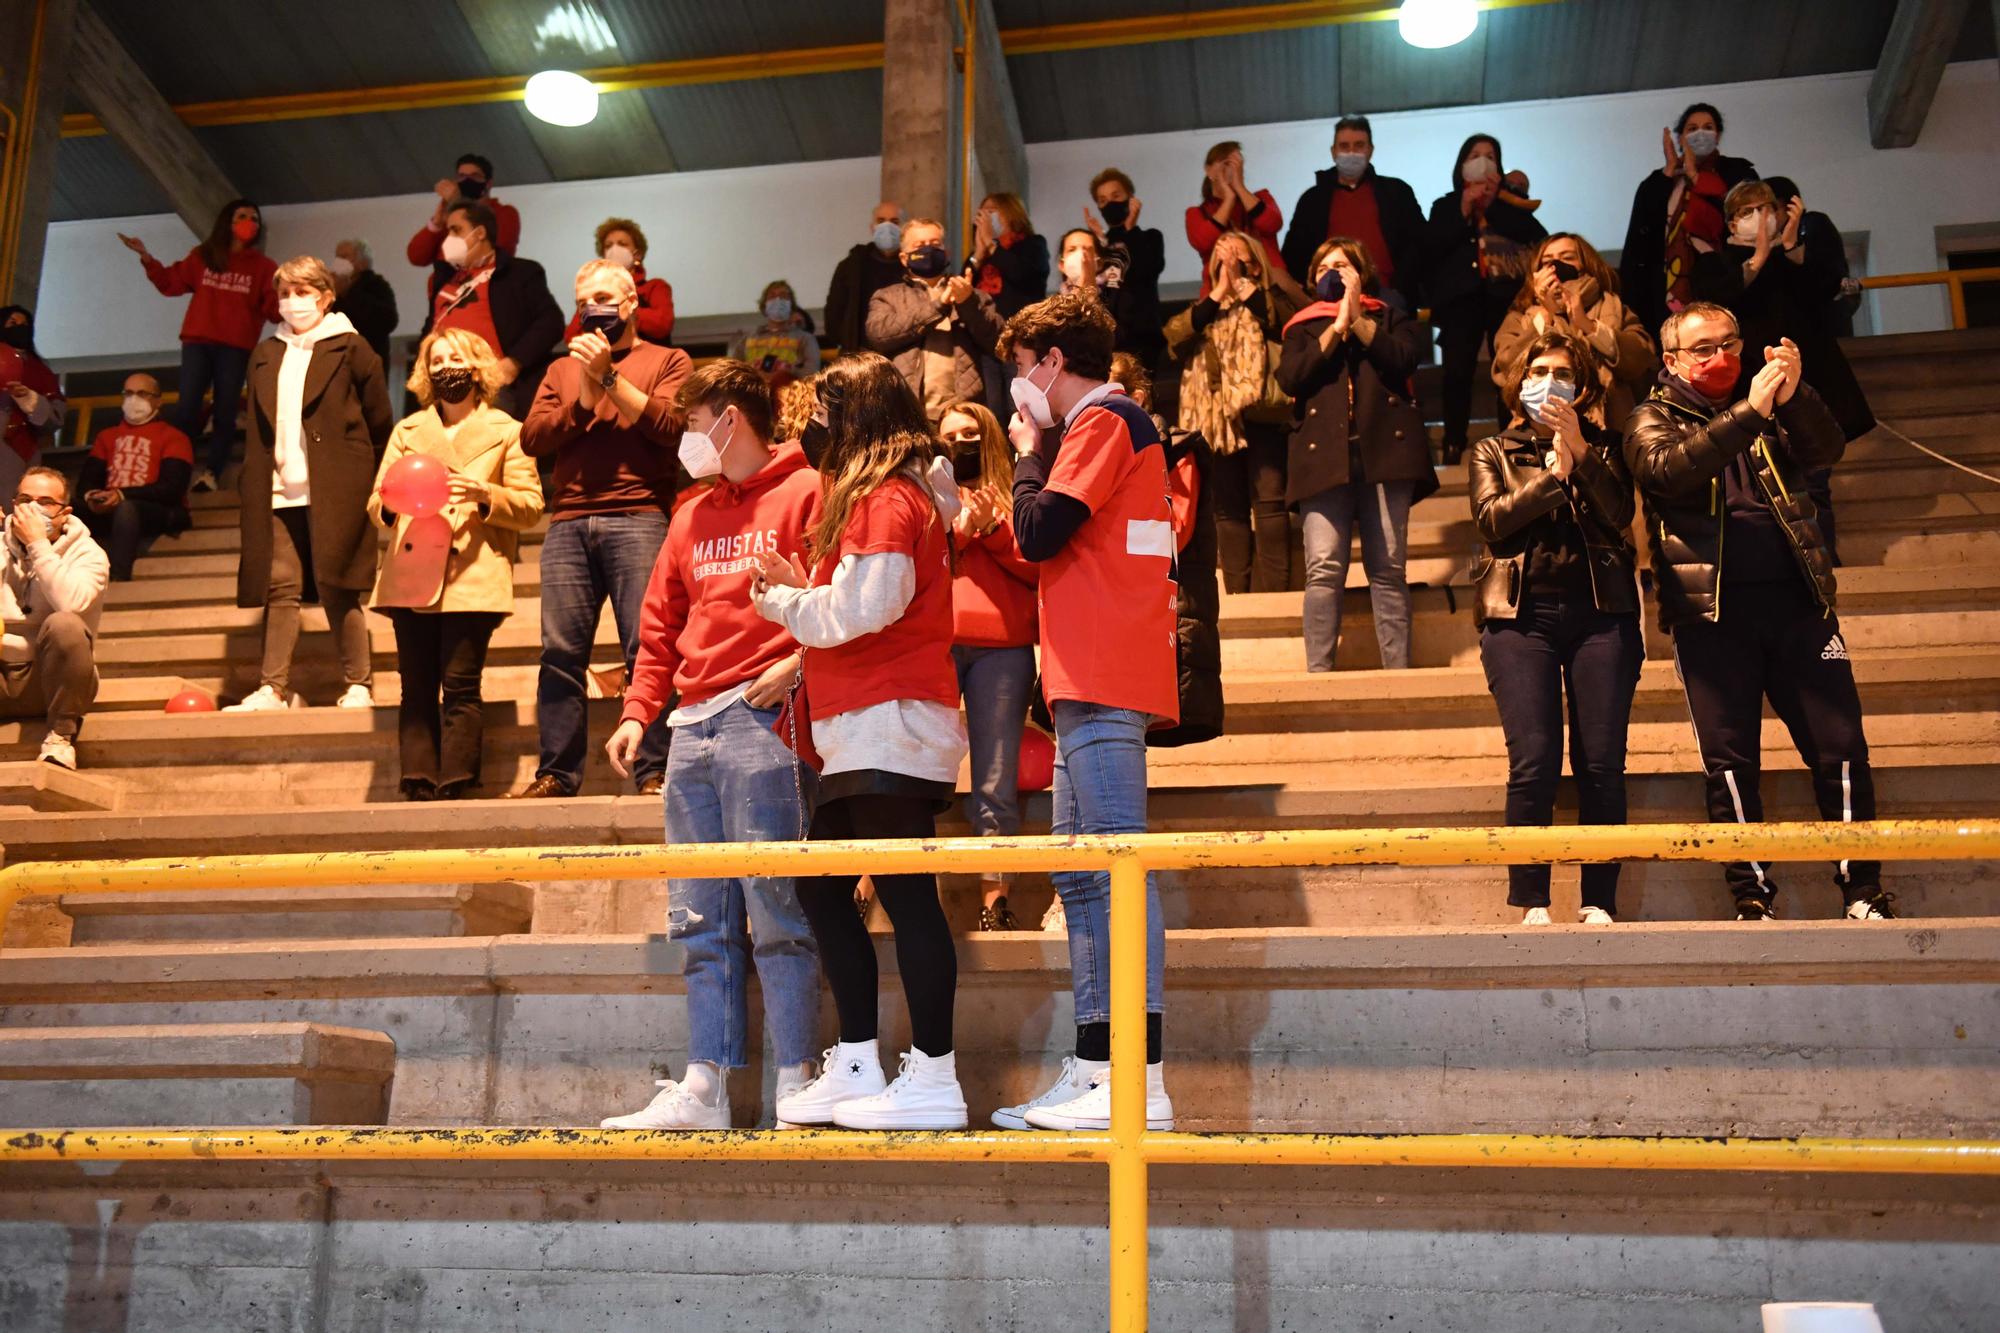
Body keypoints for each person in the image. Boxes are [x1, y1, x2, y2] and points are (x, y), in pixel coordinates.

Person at [598, 359, 824, 1131]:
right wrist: (638, 711)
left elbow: (838, 597)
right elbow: (658, 623)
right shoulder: (690, 511)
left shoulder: (807, 491)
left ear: (731, 419)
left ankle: (796, 1079)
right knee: (698, 918)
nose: (688, 437)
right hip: (691, 725)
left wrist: (801, 663)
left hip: (764, 721)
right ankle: (705, 1087)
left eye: (695, 422)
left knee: (777, 908)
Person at [751, 351, 969, 1132]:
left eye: (822, 416)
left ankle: (936, 1074)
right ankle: (855, 1060)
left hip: (891, 720)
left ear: (853, 419)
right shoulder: (891, 495)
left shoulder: (887, 496)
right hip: (863, 727)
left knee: (906, 895)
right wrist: (805, 590)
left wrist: (783, 601)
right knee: (821, 887)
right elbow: (853, 602)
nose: (812, 432)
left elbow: (863, 609)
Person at [1625, 303, 1897, 922]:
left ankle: (1861, 889)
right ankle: (1751, 894)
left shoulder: (1773, 404)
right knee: (1729, 762)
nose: (1721, 356)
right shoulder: (1649, 417)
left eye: (1730, 343)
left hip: (1798, 602)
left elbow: (1826, 450)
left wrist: (1795, 394)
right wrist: (1750, 412)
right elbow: (1669, 471)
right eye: (1703, 349)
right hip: (1711, 614)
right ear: (1671, 360)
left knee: (1842, 749)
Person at [994, 290, 1178, 1133]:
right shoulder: (1110, 424)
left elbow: (1036, 531)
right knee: (1081, 875)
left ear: (1051, 363)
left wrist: (1028, 448)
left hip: (1106, 670)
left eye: (1020, 370)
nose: (1018, 388)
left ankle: (1138, 1076)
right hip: (1085, 673)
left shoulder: (1103, 421)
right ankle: (1099, 1066)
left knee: (1114, 869)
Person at [1469, 333, 1641, 926]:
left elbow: (1620, 515)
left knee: (1601, 763)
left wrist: (1580, 457)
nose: (1548, 380)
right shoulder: (1492, 449)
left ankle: (1599, 899)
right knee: (1536, 760)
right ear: (1520, 384)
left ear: (1583, 386)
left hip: (1601, 616)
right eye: (1538, 371)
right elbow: (1493, 521)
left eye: (1563, 372)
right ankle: (1533, 900)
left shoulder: (1610, 447)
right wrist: (1551, 476)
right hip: (1521, 618)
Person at [515, 259, 688, 798]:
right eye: (584, 300)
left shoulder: (667, 359)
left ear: (632, 303)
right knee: (561, 654)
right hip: (568, 522)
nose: (594, 310)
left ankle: (654, 771)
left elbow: (670, 426)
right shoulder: (561, 369)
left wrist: (608, 377)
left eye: (605, 299)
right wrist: (585, 396)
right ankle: (556, 774)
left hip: (639, 517)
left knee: (648, 647)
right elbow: (533, 438)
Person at [368, 328, 543, 800]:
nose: (447, 367)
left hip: (474, 572)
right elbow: (376, 502)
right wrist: (392, 504)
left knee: (460, 684)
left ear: (478, 366)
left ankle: (458, 779)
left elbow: (530, 506)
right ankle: (418, 778)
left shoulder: (506, 430)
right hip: (411, 573)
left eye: (456, 358)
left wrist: (487, 495)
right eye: (437, 360)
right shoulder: (408, 432)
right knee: (415, 685)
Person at [226, 257, 393, 713]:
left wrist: (372, 477)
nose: (292, 302)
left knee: (338, 584)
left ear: (325, 296)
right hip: (278, 486)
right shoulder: (266, 352)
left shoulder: (351, 347)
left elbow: (380, 420)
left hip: (337, 485)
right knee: (280, 587)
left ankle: (358, 683)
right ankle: (272, 688)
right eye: (284, 293)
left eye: (302, 292)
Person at [1277, 237, 1435, 672]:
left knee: (1388, 569)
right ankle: (1319, 674)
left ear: (1361, 274)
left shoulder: (1389, 315)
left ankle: (1398, 673)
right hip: (1321, 461)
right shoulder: (1301, 326)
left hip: (1385, 456)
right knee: (1324, 569)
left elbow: (1404, 358)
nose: (1333, 272)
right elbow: (1291, 378)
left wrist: (1359, 321)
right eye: (1325, 266)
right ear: (1313, 279)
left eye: (1342, 265)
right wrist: (1335, 328)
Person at [940, 400, 1037, 932]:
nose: (960, 443)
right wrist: (959, 530)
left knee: (995, 777)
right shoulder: (928, 492)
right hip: (934, 646)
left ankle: (994, 900)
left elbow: (1040, 566)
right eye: (950, 436)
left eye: (970, 433)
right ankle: (881, 889)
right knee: (914, 772)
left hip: (1003, 647)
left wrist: (993, 530)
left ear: (990, 436)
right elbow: (914, 565)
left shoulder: (1018, 489)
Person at [1164, 229, 1301, 594]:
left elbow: (1286, 323)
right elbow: (1175, 336)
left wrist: (1245, 286)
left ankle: (1275, 593)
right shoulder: (1207, 309)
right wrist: (1219, 291)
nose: (1229, 266)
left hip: (1263, 415)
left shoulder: (1271, 298)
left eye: (1238, 258)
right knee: (1227, 510)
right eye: (1221, 261)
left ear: (1256, 263)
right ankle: (1238, 594)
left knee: (1270, 504)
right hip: (1217, 423)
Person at [118, 199, 279, 492]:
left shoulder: (264, 268)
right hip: (198, 343)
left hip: (235, 348)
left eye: (254, 218)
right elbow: (170, 283)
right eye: (242, 216)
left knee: (225, 411)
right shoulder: (204, 256)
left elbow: (274, 309)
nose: (249, 222)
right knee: (186, 408)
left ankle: (211, 473)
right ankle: (176, 473)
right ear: (227, 222)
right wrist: (146, 257)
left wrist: (298, 294)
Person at [1115, 351, 1222, 750]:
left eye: (1112, 387)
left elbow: (1173, 531)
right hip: (1119, 609)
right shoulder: (1087, 448)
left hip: (1170, 611)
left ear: (1139, 398)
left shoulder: (1178, 450)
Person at [1424, 134, 1548, 463]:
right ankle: (1453, 443)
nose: (1483, 160)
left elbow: (1538, 238)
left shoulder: (1511, 203)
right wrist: (1464, 207)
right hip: (1460, 301)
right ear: (1462, 163)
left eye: (1490, 155)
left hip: (1504, 299)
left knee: (1508, 370)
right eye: (1475, 154)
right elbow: (1432, 247)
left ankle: (1511, 441)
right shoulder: (1445, 205)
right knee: (1456, 373)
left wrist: (1495, 204)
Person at [1619, 104, 1758, 342]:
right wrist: (1669, 172)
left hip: (1725, 283)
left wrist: (1696, 177)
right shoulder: (1656, 183)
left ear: (1718, 135)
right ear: (1680, 137)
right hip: (1666, 288)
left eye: (1708, 127)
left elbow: (1742, 213)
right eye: (1692, 128)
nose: (1700, 134)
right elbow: (1640, 240)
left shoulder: (1736, 172)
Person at [0, 467, 108, 772]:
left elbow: (71, 603)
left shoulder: (89, 554)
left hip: (51, 682)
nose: (33, 509)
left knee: (66, 624)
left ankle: (60, 738)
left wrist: (38, 546)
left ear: (65, 513)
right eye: (25, 499)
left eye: (45, 502)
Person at [1493, 233, 1655, 432]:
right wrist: (1546, 314)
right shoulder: (1520, 317)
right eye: (1547, 262)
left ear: (1586, 264)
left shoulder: (1614, 307)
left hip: (1613, 430)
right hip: (1540, 433)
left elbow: (1642, 359)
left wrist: (1587, 325)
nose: (1556, 266)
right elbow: (1508, 368)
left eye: (1567, 258)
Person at [418, 199, 564, 420]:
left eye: (456, 230)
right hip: (442, 390)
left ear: (479, 233)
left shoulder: (520, 273)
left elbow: (550, 321)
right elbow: (429, 329)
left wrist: (514, 362)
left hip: (497, 388)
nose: (449, 239)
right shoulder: (444, 280)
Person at [1279, 115, 1427, 313]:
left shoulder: (1397, 192)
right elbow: (1294, 253)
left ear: (1370, 150)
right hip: (1330, 302)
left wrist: (1401, 290)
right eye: (1344, 146)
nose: (1351, 152)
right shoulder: (1312, 200)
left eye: (1358, 145)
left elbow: (1418, 245)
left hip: (1388, 300)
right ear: (1333, 152)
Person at [865, 218, 1005, 424]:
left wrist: (968, 304)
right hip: (910, 412)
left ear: (946, 252)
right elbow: (879, 334)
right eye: (920, 246)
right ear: (904, 258)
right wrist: (939, 305)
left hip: (965, 414)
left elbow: (999, 341)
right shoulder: (888, 297)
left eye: (935, 244)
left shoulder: (973, 295)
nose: (928, 250)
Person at [76, 373, 194, 581]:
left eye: (142, 393)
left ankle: (118, 578)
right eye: (128, 393)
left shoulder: (174, 437)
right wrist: (93, 496)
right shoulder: (107, 436)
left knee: (127, 508)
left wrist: (122, 495)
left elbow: (172, 489)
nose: (133, 399)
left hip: (160, 510)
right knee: (66, 508)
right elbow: (86, 481)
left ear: (158, 401)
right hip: (113, 508)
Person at [1084, 169, 1166, 364]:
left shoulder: (1149, 237)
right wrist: (1100, 240)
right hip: (1108, 339)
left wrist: (1131, 228)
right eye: (1103, 200)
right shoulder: (1101, 243)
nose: (1110, 203)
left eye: (1116, 196)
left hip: (1143, 337)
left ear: (1130, 198)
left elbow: (1146, 269)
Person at [1185, 141, 1285, 293]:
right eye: (1227, 163)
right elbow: (1203, 241)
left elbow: (1273, 224)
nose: (1233, 169)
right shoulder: (1196, 213)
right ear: (1209, 171)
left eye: (1238, 163)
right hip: (1220, 289)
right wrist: (1229, 199)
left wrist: (1239, 187)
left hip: (1269, 284)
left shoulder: (1261, 198)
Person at [561, 218, 675, 346]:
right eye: (608, 246)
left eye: (622, 244)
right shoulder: (593, 294)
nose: (614, 249)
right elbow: (572, 337)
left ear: (637, 254)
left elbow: (662, 325)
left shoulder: (655, 287)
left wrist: (616, 309)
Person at [407, 153, 521, 269]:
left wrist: (458, 205)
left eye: (475, 176)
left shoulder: (504, 213)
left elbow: (497, 255)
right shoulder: (450, 214)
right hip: (445, 285)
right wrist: (436, 223)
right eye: (462, 176)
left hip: (482, 284)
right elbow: (417, 258)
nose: (467, 181)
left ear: (488, 183)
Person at [824, 201, 906, 357]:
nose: (887, 227)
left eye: (895, 222)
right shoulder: (851, 266)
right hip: (859, 354)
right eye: (881, 221)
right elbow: (834, 312)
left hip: (904, 355)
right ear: (872, 227)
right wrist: (848, 343)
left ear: (905, 228)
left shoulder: (913, 267)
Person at [0, 305, 65, 503]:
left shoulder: (42, 372)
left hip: (19, 452)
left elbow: (55, 421)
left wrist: (31, 400)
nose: (20, 328)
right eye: (13, 323)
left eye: (25, 324)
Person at [966, 193, 1050, 321]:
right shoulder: (985, 253)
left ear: (1012, 213)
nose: (986, 218)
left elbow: (1021, 274)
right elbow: (963, 285)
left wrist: (990, 244)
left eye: (991, 211)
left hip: (1020, 324)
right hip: (981, 327)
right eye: (982, 213)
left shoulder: (1033, 244)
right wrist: (978, 254)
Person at [729, 280, 822, 383]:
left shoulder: (805, 338)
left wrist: (787, 372)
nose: (778, 300)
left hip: (787, 393)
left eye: (783, 296)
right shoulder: (748, 338)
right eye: (772, 296)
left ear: (791, 305)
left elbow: (812, 372)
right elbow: (732, 370)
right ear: (764, 305)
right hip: (752, 393)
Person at [329, 239, 399, 369]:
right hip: (338, 362)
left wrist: (348, 292)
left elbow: (389, 320)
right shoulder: (331, 291)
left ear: (363, 262)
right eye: (337, 257)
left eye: (344, 257)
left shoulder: (377, 285)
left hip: (370, 362)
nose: (339, 262)